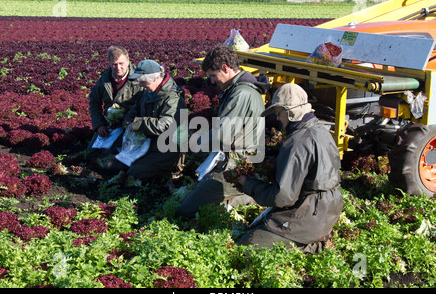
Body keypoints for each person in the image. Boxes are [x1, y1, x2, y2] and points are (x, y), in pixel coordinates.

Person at [237, 83, 344, 253]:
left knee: (246, 247)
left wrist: (247, 183)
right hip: (326, 211)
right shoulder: (320, 130)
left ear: (290, 112)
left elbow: (282, 197)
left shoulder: (298, 142)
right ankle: (308, 241)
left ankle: (309, 246)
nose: (278, 119)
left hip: (308, 216)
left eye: (279, 113)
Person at [177, 44, 270, 219]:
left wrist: (192, 140)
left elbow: (222, 135)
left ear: (225, 69)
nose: (212, 81)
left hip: (239, 163)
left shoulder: (241, 94)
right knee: (199, 190)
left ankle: (252, 196)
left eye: (213, 75)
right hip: (231, 157)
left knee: (187, 208)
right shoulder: (235, 90)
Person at [103, 59, 186, 183]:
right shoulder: (148, 91)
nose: (140, 85)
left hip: (166, 148)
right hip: (146, 143)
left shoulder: (172, 97)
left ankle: (166, 175)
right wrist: (128, 120)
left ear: (154, 79)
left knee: (134, 173)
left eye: (142, 82)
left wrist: (138, 123)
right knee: (111, 166)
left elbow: (166, 125)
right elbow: (134, 109)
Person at [86, 45, 143, 161]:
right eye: (114, 64)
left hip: (129, 125)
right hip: (109, 125)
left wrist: (129, 121)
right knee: (90, 153)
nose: (118, 67)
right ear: (109, 63)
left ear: (128, 61)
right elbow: (94, 102)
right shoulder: (104, 80)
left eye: (121, 63)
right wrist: (99, 125)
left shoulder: (138, 80)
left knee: (109, 155)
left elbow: (142, 104)